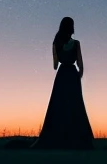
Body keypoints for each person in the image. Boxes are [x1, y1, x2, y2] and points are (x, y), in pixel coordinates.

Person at [31, 17, 94, 150]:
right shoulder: (76, 43)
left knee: (58, 105)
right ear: (71, 28)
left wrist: (58, 52)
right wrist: (78, 78)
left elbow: (55, 65)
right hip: (72, 75)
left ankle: (56, 137)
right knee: (76, 106)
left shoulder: (56, 43)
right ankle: (78, 139)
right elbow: (81, 65)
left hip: (61, 75)